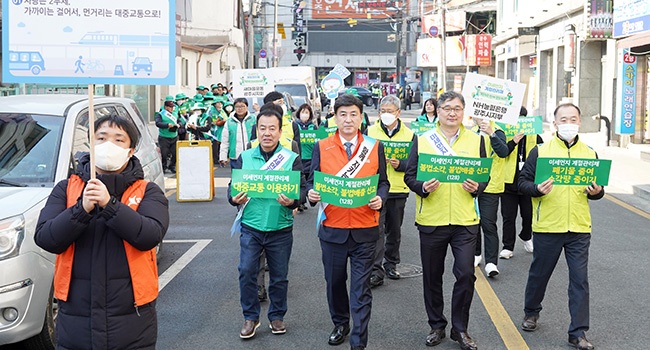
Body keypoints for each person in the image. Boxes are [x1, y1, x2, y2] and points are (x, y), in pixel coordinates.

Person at [34, 114, 169, 349]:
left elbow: (150, 235)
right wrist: (81, 209)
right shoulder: (66, 189)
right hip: (75, 321)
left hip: (132, 320)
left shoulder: (148, 191)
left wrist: (110, 205)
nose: (109, 145)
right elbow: (47, 238)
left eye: (119, 140)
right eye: (102, 138)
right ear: (91, 144)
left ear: (131, 150)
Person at [403, 91, 487, 350]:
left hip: (465, 220)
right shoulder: (423, 139)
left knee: (465, 274)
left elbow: (484, 177)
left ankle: (460, 329)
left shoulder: (476, 140)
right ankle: (436, 325)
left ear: (464, 112)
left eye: (458, 108)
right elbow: (410, 176)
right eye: (447, 108)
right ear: (437, 111)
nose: (452, 113)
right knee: (432, 276)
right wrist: (422, 187)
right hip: (432, 218)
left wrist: (477, 187)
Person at [307, 94, 389, 350]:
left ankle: (358, 341)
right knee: (334, 283)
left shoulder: (375, 147)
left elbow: (383, 182)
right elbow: (311, 180)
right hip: (333, 228)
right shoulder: (322, 146)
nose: (348, 119)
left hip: (365, 229)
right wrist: (311, 194)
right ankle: (341, 323)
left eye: (353, 114)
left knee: (361, 288)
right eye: (343, 114)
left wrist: (380, 198)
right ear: (335, 117)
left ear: (361, 117)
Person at [518, 103, 603, 350]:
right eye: (563, 119)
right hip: (548, 226)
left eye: (573, 118)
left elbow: (598, 190)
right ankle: (531, 312)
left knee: (580, 281)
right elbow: (522, 183)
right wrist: (536, 189)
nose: (568, 123)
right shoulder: (540, 151)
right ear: (555, 123)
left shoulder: (589, 153)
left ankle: (578, 332)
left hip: (578, 228)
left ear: (580, 122)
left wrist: (597, 191)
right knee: (539, 274)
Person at [228, 104, 306, 339]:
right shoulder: (244, 157)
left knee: (279, 276)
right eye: (262, 128)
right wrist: (233, 198)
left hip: (280, 227)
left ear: (280, 131)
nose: (267, 133)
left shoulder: (291, 158)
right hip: (251, 226)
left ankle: (277, 316)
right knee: (246, 271)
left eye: (272, 128)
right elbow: (233, 187)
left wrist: (292, 202)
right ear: (257, 130)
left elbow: (302, 191)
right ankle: (250, 317)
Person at [367, 95, 415, 288]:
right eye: (383, 111)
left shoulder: (410, 135)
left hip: (398, 189)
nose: (386, 115)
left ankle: (391, 264)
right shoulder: (369, 131)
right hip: (376, 190)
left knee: (394, 231)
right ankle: (375, 270)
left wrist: (400, 164)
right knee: (376, 231)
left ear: (398, 113)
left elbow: (414, 164)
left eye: (390, 111)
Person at [500, 106, 542, 257]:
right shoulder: (504, 132)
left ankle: (526, 236)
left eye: (523, 118)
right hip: (508, 181)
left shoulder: (534, 134)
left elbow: (543, 151)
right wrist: (513, 141)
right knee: (508, 217)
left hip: (527, 182)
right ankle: (507, 246)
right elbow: (501, 152)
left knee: (528, 214)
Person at [469, 117, 509, 277]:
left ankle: (491, 262)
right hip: (472, 184)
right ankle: (476, 254)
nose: (481, 117)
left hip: (491, 186)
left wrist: (491, 133)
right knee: (473, 221)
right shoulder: (470, 132)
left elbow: (503, 152)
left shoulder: (498, 131)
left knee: (488, 223)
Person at [294, 103, 319, 212]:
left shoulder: (313, 127)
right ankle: (300, 201)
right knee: (300, 180)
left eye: (307, 113)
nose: (305, 115)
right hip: (299, 156)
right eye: (303, 112)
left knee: (308, 178)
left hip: (310, 157)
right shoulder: (295, 125)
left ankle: (307, 197)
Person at [220, 97, 256, 166]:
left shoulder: (254, 119)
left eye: (242, 106)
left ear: (247, 107)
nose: (240, 108)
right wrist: (223, 157)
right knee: (237, 176)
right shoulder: (229, 122)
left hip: (252, 155)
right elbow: (225, 141)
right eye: (237, 106)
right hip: (235, 157)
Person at [155, 100, 181, 174]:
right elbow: (158, 123)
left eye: (172, 107)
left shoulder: (175, 114)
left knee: (175, 153)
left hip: (174, 136)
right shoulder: (160, 114)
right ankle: (163, 167)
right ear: (166, 107)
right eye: (170, 107)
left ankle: (172, 166)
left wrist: (179, 125)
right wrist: (167, 125)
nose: (172, 109)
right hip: (164, 137)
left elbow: (180, 121)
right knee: (164, 153)